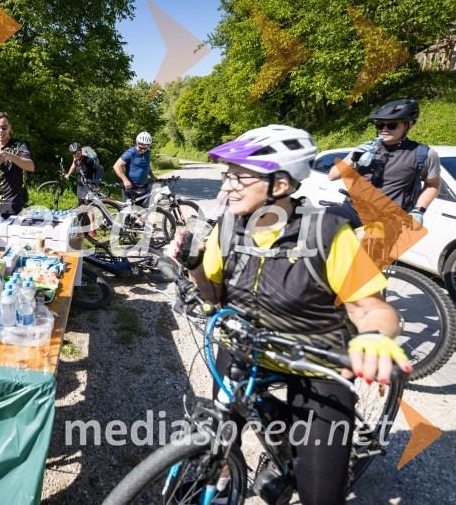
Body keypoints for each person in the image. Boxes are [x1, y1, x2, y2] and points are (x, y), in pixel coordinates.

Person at [174, 124, 411, 505]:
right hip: (246, 347)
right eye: (227, 176)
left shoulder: (327, 232)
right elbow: (212, 294)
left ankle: (300, 461)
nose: (228, 186)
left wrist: (374, 338)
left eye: (240, 177)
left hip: (317, 361)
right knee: (215, 439)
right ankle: (220, 483)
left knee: (318, 492)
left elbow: (371, 308)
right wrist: (195, 266)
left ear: (280, 186)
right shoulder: (230, 226)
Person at [327, 98, 440, 228]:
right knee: (319, 225)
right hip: (352, 210)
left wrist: (419, 211)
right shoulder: (366, 148)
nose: (384, 129)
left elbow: (433, 185)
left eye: (392, 125)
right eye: (380, 125)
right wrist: (352, 158)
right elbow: (332, 176)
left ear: (409, 126)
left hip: (387, 221)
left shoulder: (424, 154)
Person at [0, 112, 35, 217]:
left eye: (4, 127)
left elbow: (31, 166)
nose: (0, 131)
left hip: (11, 202)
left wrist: (9, 156)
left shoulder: (19, 145)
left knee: (10, 233)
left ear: (10, 127)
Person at [113, 132, 155, 200]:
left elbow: (147, 165)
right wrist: (125, 180)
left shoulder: (148, 152)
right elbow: (116, 166)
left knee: (147, 209)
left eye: (145, 148)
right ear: (136, 143)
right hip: (131, 188)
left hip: (144, 187)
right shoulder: (130, 153)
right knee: (130, 210)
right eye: (141, 148)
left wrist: (152, 176)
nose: (143, 150)